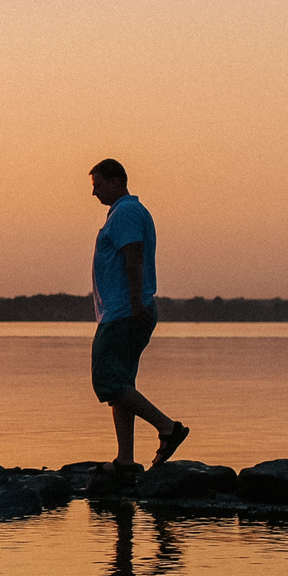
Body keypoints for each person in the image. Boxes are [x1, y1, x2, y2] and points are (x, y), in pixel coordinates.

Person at [88, 159, 189, 469]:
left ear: (117, 181)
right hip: (122, 310)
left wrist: (134, 303)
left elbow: (134, 258)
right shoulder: (123, 212)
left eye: (98, 185)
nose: (94, 193)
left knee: (108, 382)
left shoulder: (127, 212)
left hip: (124, 312)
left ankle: (167, 428)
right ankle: (125, 460)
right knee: (122, 386)